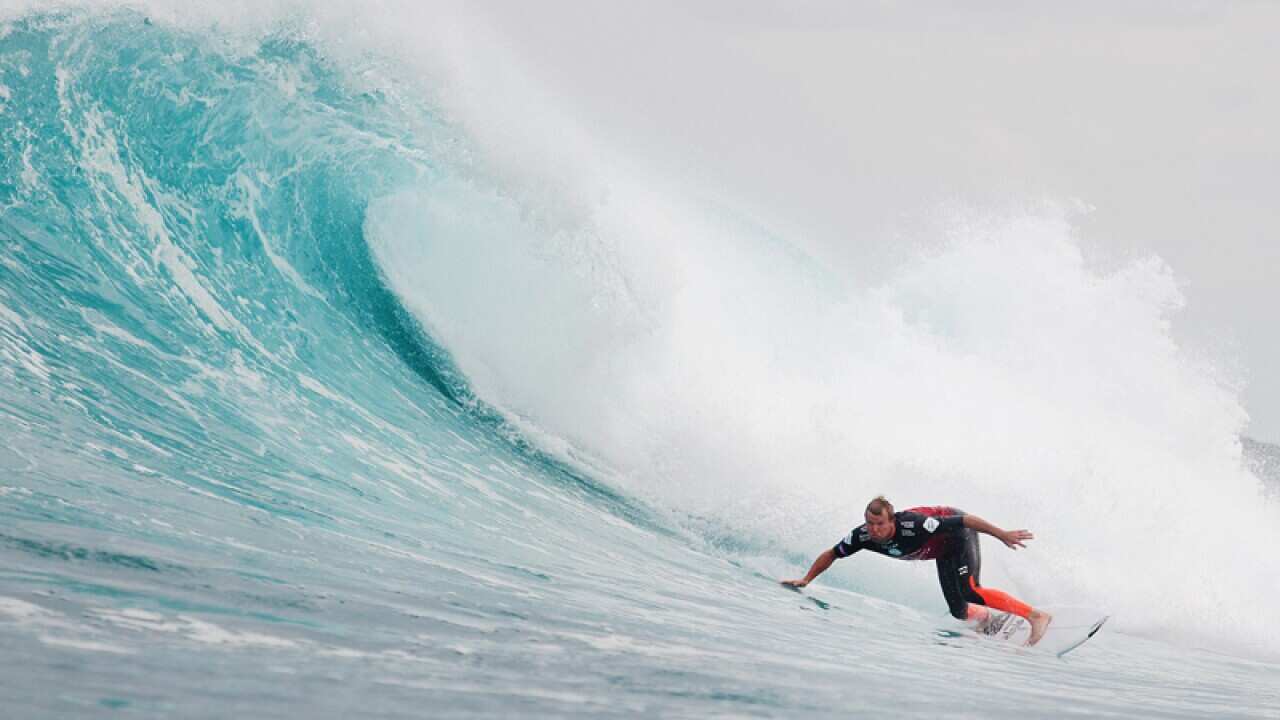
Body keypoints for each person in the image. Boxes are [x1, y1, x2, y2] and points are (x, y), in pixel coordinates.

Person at [781, 496, 1053, 645]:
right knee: (959, 611)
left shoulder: (916, 524)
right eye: (870, 523)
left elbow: (965, 520)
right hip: (943, 551)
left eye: (879, 524)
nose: (874, 530)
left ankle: (1036, 615)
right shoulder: (861, 536)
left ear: (892, 520)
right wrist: (806, 579)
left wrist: (1001, 534)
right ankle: (987, 620)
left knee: (971, 590)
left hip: (959, 535)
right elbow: (832, 553)